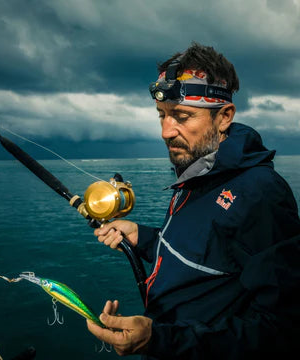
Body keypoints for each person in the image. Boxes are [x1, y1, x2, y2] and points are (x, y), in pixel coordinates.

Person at [86, 43, 300, 359]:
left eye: (182, 116)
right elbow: (206, 250)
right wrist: (142, 237)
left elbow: (281, 331)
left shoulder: (261, 194)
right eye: (162, 116)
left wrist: (161, 340)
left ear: (224, 117)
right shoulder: (196, 172)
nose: (166, 131)